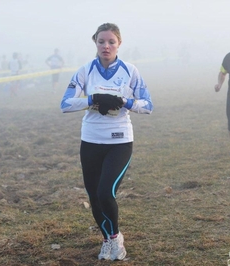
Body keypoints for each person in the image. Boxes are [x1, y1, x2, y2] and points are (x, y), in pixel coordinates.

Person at [60, 23, 153, 261]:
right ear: (95, 43)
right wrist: (93, 99)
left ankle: (116, 239)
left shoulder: (130, 71)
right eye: (101, 41)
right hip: (90, 140)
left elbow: (148, 106)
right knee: (93, 196)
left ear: (119, 44)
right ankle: (107, 240)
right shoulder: (85, 70)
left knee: (105, 191)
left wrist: (126, 102)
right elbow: (65, 104)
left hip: (120, 141)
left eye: (111, 42)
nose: (106, 46)